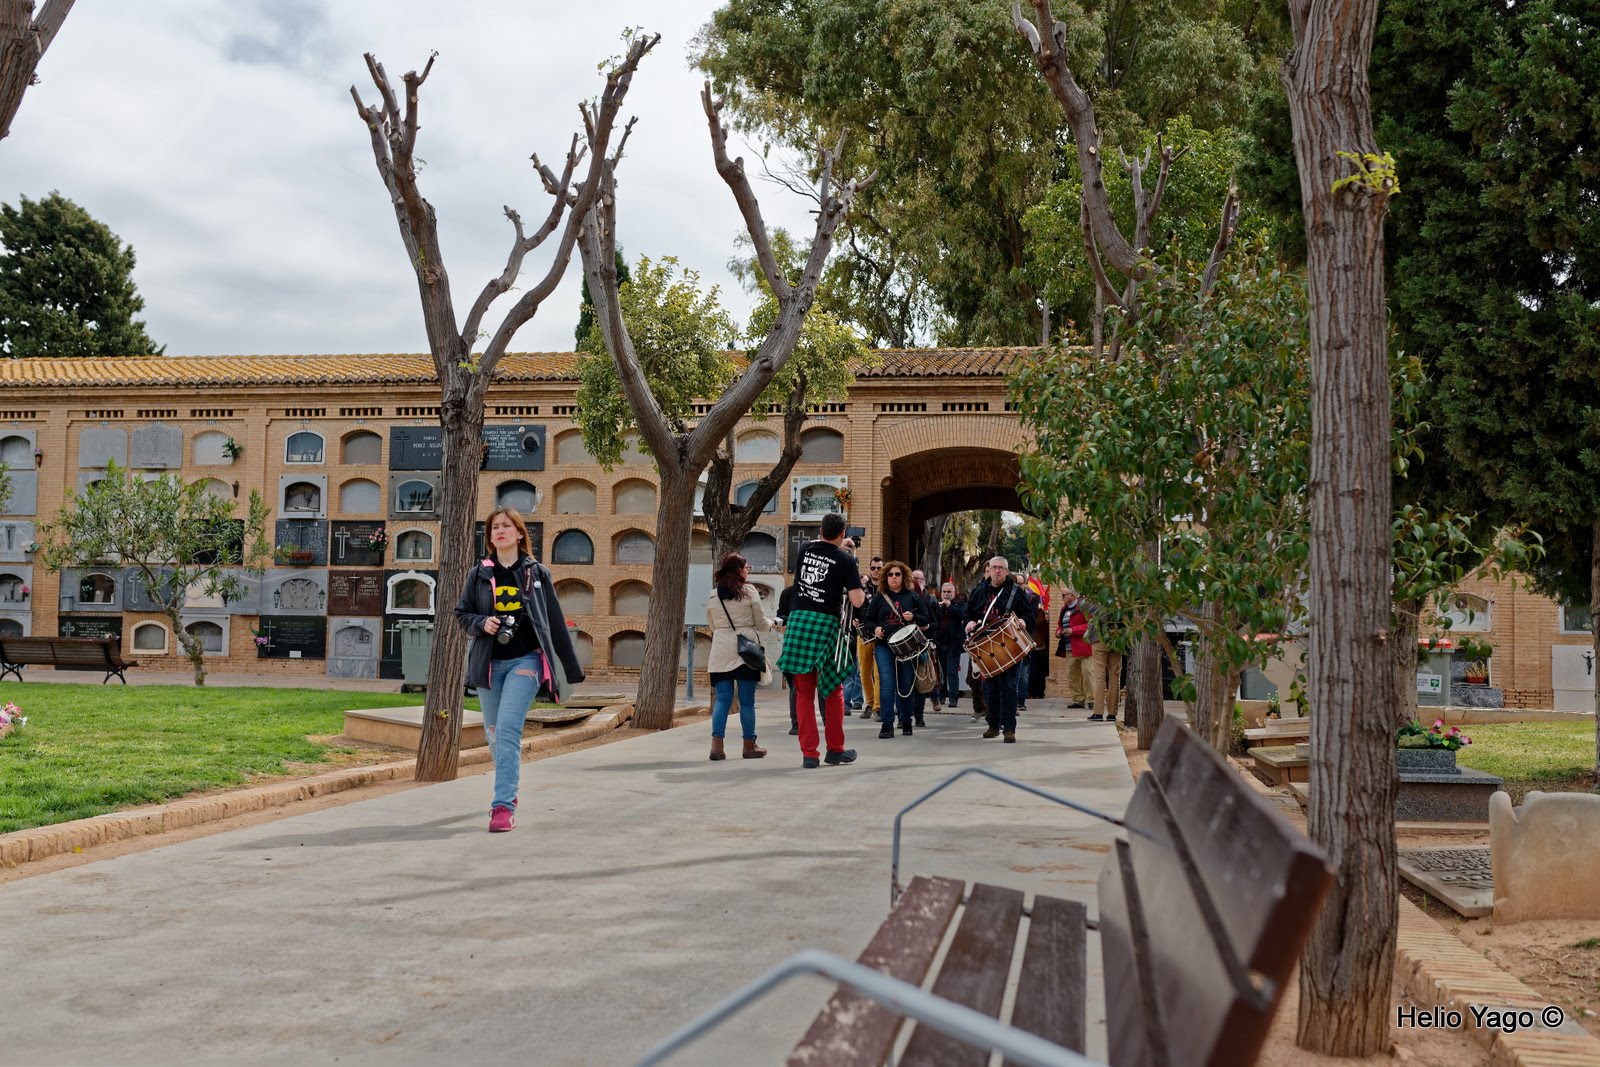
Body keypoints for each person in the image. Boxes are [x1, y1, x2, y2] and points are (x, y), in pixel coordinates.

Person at [454, 506, 586, 833]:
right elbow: (462, 613)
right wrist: (483, 622)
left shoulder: (537, 573)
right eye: (494, 527)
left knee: (509, 730)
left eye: (506, 526)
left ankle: (502, 806)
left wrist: (570, 671)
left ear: (519, 533)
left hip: (525, 661)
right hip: (488, 663)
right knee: (495, 734)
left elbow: (554, 621)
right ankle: (509, 782)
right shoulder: (479, 574)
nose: (500, 531)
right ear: (491, 537)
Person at [775, 513, 866, 768]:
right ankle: (835, 750)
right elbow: (857, 601)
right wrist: (849, 558)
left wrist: (841, 547)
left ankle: (809, 755)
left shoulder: (804, 550)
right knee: (834, 689)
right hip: (825, 624)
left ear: (821, 531)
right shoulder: (846, 560)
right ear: (842, 533)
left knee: (803, 690)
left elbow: (824, 549)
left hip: (799, 622)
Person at [705, 552, 771, 761]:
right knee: (747, 702)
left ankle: (717, 747)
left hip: (721, 650)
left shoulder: (714, 595)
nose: (748, 569)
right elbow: (761, 623)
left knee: (723, 700)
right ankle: (749, 746)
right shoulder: (749, 592)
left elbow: (712, 625)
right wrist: (773, 624)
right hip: (745, 650)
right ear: (738, 571)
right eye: (745, 566)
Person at [964, 556, 1036, 743]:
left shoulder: (1015, 592)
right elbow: (968, 615)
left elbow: (1030, 614)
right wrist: (969, 622)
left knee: (1010, 688)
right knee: (991, 690)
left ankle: (1009, 729)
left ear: (1006, 570)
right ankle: (993, 726)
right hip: (986, 648)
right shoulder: (979, 591)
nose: (997, 571)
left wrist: (1024, 621)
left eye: (1000, 568)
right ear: (988, 569)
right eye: (994, 567)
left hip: (1010, 646)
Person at [862, 561, 930, 738]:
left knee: (905, 686)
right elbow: (868, 620)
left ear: (904, 576)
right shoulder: (879, 597)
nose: (893, 577)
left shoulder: (913, 596)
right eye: (890, 574)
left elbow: (926, 619)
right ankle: (887, 724)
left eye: (897, 574)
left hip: (906, 648)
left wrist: (913, 616)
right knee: (886, 685)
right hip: (884, 646)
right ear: (886, 577)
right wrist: (875, 629)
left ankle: (906, 720)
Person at [776, 580, 825, 736]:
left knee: (823, 683)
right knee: (797, 685)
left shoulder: (821, 591)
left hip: (818, 641)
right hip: (795, 640)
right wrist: (789, 622)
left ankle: (826, 720)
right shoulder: (788, 593)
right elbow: (781, 614)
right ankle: (796, 723)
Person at [854, 556, 883, 719]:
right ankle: (870, 704)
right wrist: (854, 618)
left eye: (879, 568)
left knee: (879, 673)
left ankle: (878, 707)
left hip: (881, 635)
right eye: (873, 568)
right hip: (864, 634)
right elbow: (855, 605)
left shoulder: (887, 589)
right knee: (864, 672)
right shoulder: (862, 588)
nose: (876, 571)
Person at [1086, 600, 1123, 723]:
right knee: (1114, 677)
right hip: (1117, 640)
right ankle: (1112, 713)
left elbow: (1090, 609)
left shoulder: (1099, 597)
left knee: (1099, 678)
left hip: (1100, 639)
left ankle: (1098, 712)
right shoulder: (1121, 598)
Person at [839, 538, 866, 711]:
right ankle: (845, 702)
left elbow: (858, 601)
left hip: (852, 627)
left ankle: (849, 701)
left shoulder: (851, 568)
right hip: (836, 624)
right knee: (842, 667)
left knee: (853, 667)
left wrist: (853, 554)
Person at [1056, 589, 1093, 709]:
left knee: (1088, 674)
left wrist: (1073, 630)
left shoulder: (1083, 608)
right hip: (1069, 648)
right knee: (1072, 675)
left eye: (1064, 595)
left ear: (1072, 595)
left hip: (1084, 647)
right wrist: (1058, 632)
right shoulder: (1063, 610)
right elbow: (1060, 625)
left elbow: (1090, 625)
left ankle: (1091, 699)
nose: (1062, 597)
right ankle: (1078, 700)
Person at [932, 580, 966, 708]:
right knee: (941, 672)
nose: (946, 594)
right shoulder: (936, 604)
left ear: (954, 593)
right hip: (940, 643)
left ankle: (953, 698)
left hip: (954, 644)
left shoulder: (960, 604)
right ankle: (941, 695)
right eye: (944, 592)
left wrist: (949, 606)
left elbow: (963, 614)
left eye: (949, 592)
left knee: (952, 671)